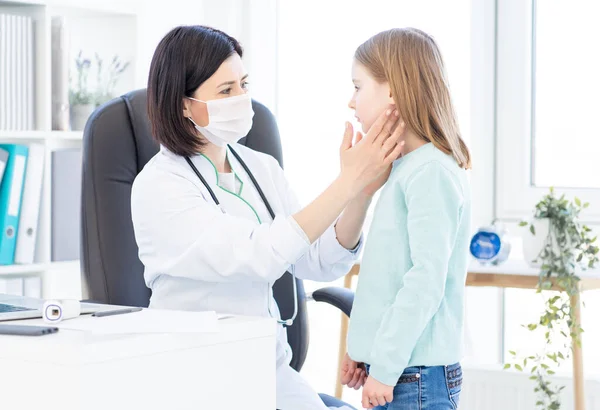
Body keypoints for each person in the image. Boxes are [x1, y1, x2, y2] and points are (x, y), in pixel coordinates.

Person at [130, 25, 405, 410]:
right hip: (195, 374)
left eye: (243, 84)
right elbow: (258, 255)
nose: (243, 99)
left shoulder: (259, 167)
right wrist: (346, 182)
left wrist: (359, 195)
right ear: (183, 104)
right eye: (225, 91)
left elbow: (316, 259)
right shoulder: (159, 186)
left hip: (266, 367)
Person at [340, 28, 472, 409]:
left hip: (416, 377)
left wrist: (385, 366)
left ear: (394, 90)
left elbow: (424, 282)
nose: (351, 102)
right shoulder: (404, 168)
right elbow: (386, 278)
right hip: (402, 370)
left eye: (358, 86)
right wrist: (365, 349)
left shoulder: (431, 172)